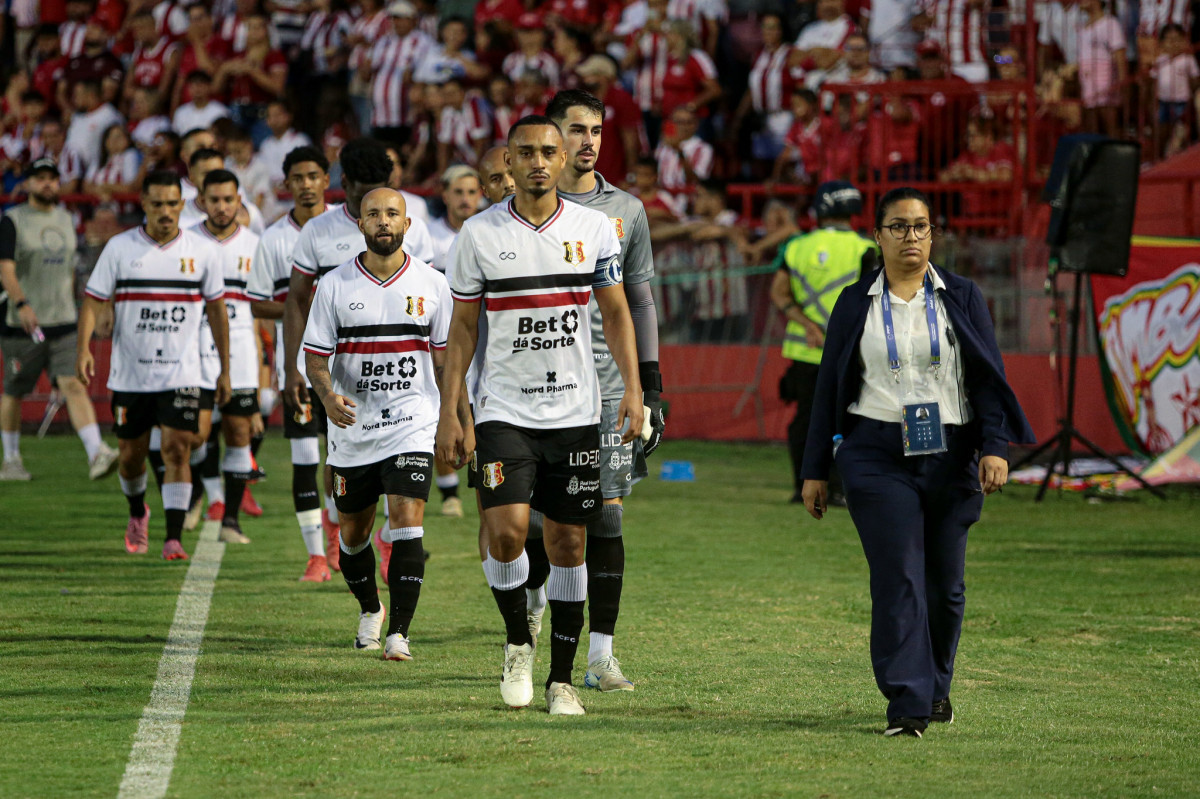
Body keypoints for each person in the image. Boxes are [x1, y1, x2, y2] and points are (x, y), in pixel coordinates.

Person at [800, 187, 1035, 738]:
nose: (911, 237)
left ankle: (936, 688)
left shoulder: (963, 295)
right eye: (899, 227)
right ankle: (907, 703)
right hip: (875, 453)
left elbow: (988, 378)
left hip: (952, 454)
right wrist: (815, 469)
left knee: (945, 588)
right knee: (899, 578)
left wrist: (995, 447)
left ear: (934, 234)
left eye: (921, 227)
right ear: (877, 236)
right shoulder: (854, 302)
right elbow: (827, 389)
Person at [437, 115, 644, 715]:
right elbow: (463, 328)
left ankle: (562, 681)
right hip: (505, 409)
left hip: (576, 411)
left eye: (547, 152)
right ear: (507, 158)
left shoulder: (595, 229)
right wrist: (453, 411)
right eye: (525, 152)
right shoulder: (477, 234)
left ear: (561, 160)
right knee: (505, 535)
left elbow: (616, 314)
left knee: (569, 544)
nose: (537, 162)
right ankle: (515, 641)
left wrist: (632, 391)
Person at [533, 89, 663, 691]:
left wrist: (650, 385)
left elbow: (638, 299)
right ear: (553, 140)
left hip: (609, 388)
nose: (588, 142)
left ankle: (601, 656)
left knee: (607, 517)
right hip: (537, 386)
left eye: (596, 131)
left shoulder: (626, 211)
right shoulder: (528, 207)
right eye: (577, 130)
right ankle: (535, 611)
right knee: (546, 521)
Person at [303, 188, 456, 659]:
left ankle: (400, 634)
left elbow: (447, 362)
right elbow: (314, 357)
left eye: (393, 214)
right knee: (353, 535)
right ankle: (371, 609)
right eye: (374, 214)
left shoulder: (433, 285)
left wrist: (457, 418)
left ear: (407, 224)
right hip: (352, 428)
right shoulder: (334, 285)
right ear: (361, 225)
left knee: (408, 522)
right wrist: (327, 397)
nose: (383, 221)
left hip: (412, 422)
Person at [282, 137, 435, 582]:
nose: (374, 203)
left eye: (381, 189)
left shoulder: (416, 228)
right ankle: (338, 529)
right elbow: (296, 301)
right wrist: (296, 367)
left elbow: (428, 295)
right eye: (361, 191)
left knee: (404, 473)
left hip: (404, 378)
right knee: (337, 458)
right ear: (343, 183)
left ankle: (389, 540)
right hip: (338, 373)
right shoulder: (319, 231)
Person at [76, 169, 230, 561]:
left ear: (182, 205)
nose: (165, 211)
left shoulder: (202, 251)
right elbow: (94, 300)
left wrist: (225, 368)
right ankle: (137, 512)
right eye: (157, 204)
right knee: (130, 455)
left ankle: (173, 536)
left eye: (172, 204)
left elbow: (217, 312)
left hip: (183, 372)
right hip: (132, 373)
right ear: (143, 204)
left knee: (177, 449)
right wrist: (84, 349)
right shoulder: (120, 248)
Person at [248, 145, 337, 581]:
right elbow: (256, 302)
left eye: (312, 176)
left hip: (348, 370)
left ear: (326, 180)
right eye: (297, 178)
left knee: (345, 461)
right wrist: (299, 308)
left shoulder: (347, 229)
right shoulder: (273, 238)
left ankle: (338, 533)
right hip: (299, 366)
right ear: (286, 185)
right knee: (304, 458)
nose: (305, 185)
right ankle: (316, 556)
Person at [0, 157, 118, 481]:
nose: (48, 183)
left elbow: (69, 270)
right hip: (24, 322)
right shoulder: (13, 220)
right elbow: (5, 268)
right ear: (27, 184)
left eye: (52, 177)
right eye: (40, 178)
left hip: (64, 319)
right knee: (14, 390)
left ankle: (97, 453)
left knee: (74, 385)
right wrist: (21, 302)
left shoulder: (67, 219)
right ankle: (10, 459)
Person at [771, 181, 876, 505]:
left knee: (806, 419)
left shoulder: (795, 247)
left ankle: (802, 485)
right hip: (848, 352)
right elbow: (870, 299)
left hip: (804, 348)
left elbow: (779, 292)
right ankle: (838, 488)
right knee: (847, 420)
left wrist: (807, 325)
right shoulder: (865, 249)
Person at [191, 169, 263, 545]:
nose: (221, 207)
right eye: (214, 199)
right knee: (193, 433)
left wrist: (265, 363)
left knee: (238, 433)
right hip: (193, 348)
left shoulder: (255, 245)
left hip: (242, 350)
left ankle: (230, 520)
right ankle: (194, 494)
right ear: (201, 201)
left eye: (228, 199)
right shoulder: (187, 242)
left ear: (239, 201)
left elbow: (263, 309)